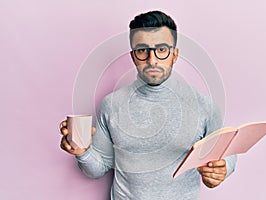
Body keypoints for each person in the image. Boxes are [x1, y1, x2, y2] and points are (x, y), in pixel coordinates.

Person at [60, 10, 237, 199]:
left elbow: (226, 152)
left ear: (174, 55)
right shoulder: (112, 104)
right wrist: (81, 151)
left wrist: (223, 168)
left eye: (161, 50)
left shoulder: (204, 105)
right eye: (143, 50)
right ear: (133, 56)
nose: (152, 60)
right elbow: (97, 169)